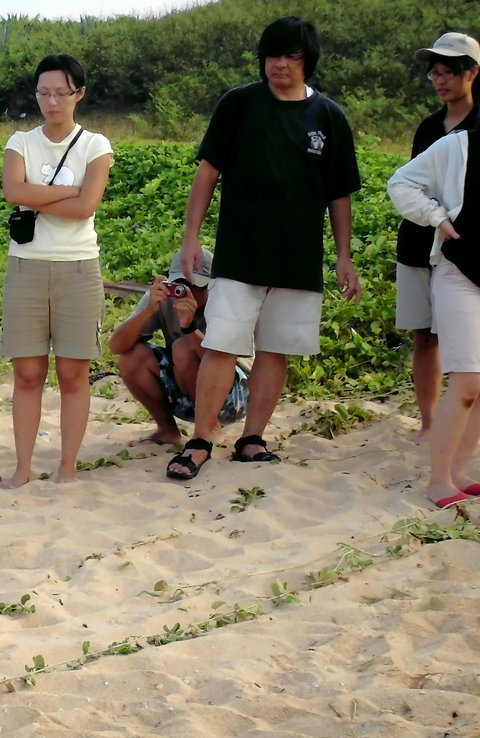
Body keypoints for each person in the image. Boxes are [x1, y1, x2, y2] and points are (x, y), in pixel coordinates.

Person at [168, 16, 362, 481]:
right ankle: (201, 439)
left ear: (307, 62)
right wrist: (191, 237)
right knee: (221, 345)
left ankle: (252, 438)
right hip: (240, 253)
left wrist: (343, 255)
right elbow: (207, 173)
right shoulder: (239, 105)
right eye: (272, 55)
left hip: (297, 259)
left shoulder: (329, 117)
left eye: (291, 56)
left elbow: (339, 194)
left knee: (276, 350)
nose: (280, 64)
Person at [0, 54, 113, 489]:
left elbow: (87, 206)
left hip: (78, 269)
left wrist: (37, 195)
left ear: (78, 94)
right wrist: (65, 190)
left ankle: (67, 467)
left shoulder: (95, 145)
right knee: (27, 374)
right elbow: (12, 191)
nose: (51, 101)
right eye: (43, 93)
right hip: (26, 267)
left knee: (72, 374)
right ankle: (23, 467)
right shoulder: (19, 141)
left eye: (60, 93)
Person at [389, 124, 480, 508]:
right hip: (459, 274)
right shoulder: (458, 145)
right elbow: (401, 182)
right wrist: (438, 218)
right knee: (469, 381)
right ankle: (439, 481)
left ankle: (458, 471)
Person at [394, 32, 479, 443]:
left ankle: (462, 425)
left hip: (466, 250)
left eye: (449, 71)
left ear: (472, 72)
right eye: (435, 73)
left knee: (468, 342)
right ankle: (429, 423)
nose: (440, 80)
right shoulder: (430, 127)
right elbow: (412, 184)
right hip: (418, 244)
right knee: (425, 337)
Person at [109, 250, 248, 446]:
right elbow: (117, 347)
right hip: (185, 383)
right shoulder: (162, 297)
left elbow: (222, 362)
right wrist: (149, 309)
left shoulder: (224, 301)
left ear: (213, 283)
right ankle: (167, 430)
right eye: (181, 285)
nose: (188, 291)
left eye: (196, 285)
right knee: (132, 357)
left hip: (233, 392)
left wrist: (189, 328)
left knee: (183, 347)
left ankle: (210, 427)